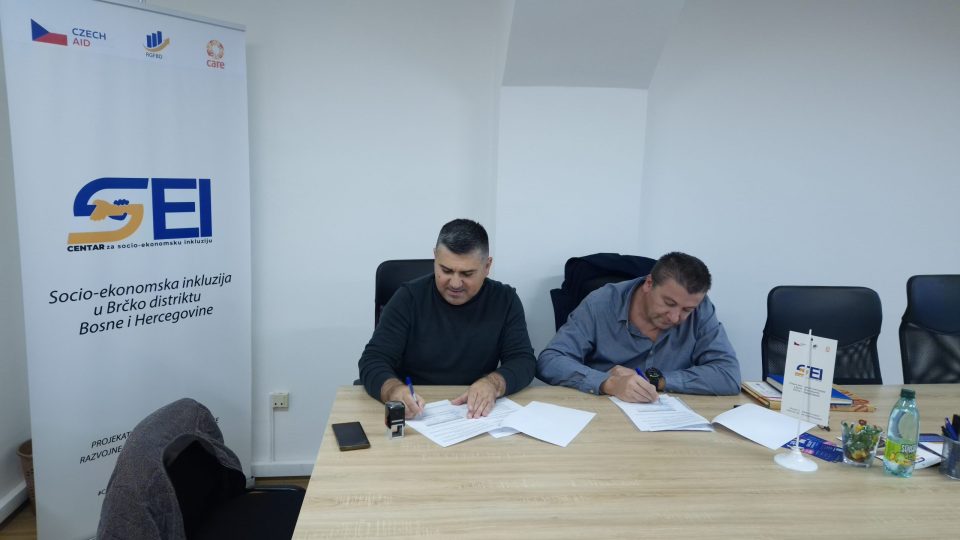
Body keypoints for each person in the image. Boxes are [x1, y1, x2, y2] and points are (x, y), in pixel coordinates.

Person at [358, 219, 536, 419]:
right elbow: (373, 360)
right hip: (415, 410)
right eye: (446, 271)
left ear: (487, 266)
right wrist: (393, 390)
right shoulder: (408, 298)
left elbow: (523, 360)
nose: (455, 283)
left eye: (467, 273)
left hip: (473, 413)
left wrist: (493, 383)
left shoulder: (505, 300)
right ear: (435, 258)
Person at [537, 251, 740, 402]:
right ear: (649, 284)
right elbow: (550, 360)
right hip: (604, 412)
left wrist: (656, 380)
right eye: (669, 303)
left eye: (687, 309)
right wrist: (608, 383)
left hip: (669, 416)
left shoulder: (701, 309)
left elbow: (728, 375)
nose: (675, 317)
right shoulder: (601, 303)